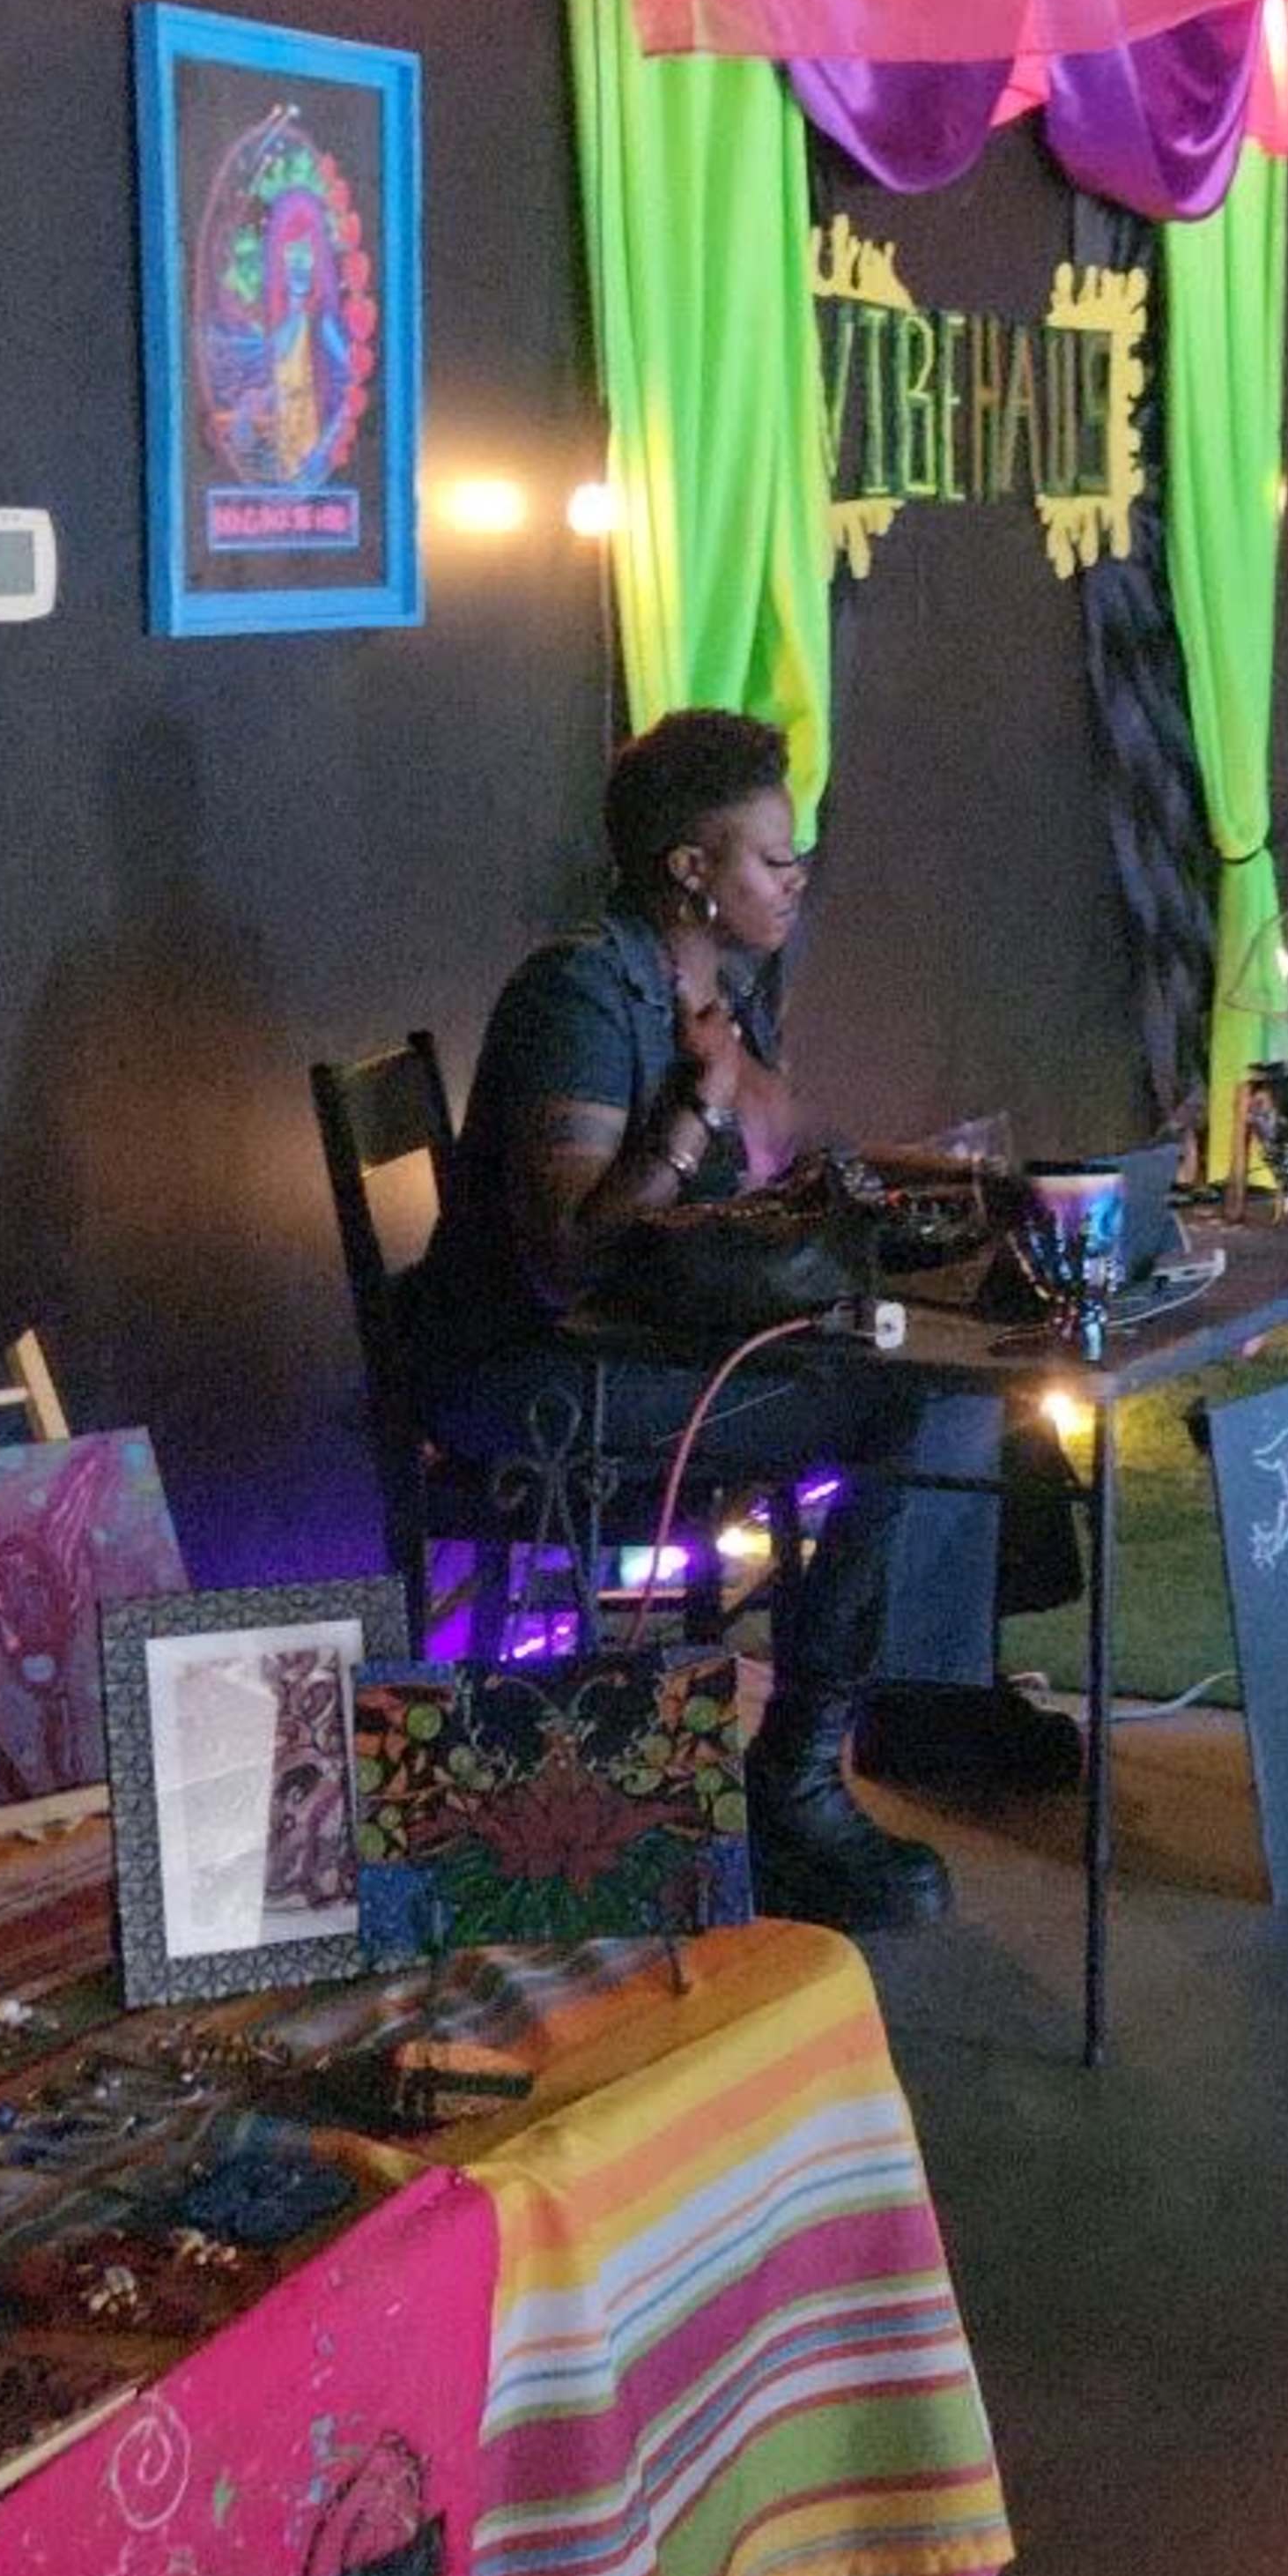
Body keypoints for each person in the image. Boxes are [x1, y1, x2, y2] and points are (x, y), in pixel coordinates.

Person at [403, 708, 1019, 1935]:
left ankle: (927, 1705)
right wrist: (695, 1104)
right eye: (772, 860)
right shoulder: (578, 990)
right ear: (691, 869)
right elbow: (563, 1261)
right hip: (531, 1375)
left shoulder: (715, 987)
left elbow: (784, 1147)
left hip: (637, 1345)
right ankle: (793, 1792)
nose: (796, 882)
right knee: (898, 1409)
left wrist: (951, 1186)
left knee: (947, 1381)